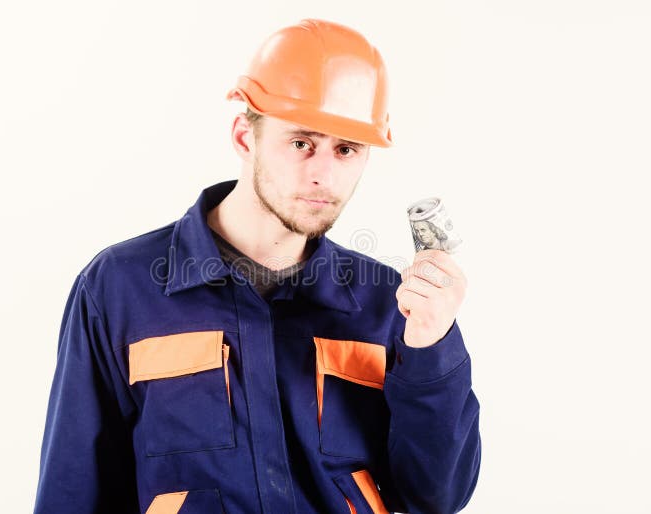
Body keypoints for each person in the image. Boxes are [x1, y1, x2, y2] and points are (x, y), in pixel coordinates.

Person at [33, 18, 481, 514]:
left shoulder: (387, 304)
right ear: (245, 138)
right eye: (301, 143)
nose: (323, 174)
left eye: (346, 150)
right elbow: (74, 493)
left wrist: (430, 348)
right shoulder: (121, 290)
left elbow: (435, 496)